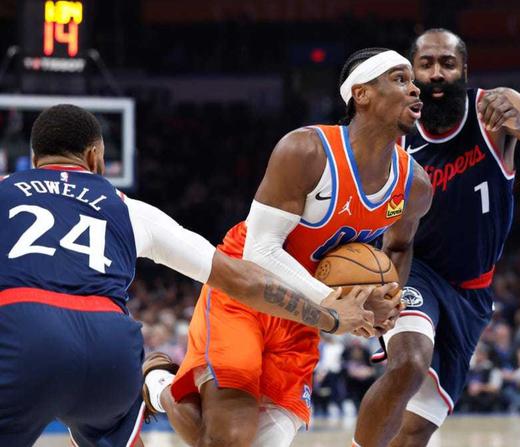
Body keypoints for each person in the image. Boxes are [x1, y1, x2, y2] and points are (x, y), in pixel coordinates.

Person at [0, 104, 375, 447]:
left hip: (24, 329)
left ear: (33, 160)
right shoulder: (129, 208)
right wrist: (329, 316)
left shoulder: (5, 190)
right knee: (110, 428)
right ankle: (152, 386)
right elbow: (242, 280)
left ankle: (156, 386)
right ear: (95, 156)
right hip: (108, 346)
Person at [142, 48, 433, 447]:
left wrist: (388, 300)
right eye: (400, 79)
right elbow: (260, 251)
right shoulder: (307, 151)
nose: (415, 89)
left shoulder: (414, 185)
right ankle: (160, 383)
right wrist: (331, 303)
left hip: (304, 315)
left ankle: (160, 385)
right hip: (244, 290)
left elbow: (400, 247)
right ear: (362, 94)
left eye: (413, 81)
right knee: (230, 438)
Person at [354, 28, 520, 447]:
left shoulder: (495, 109)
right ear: (411, 74)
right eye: (426, 64)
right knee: (409, 363)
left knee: (417, 428)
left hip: (472, 292)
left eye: (447, 63)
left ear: (465, 71)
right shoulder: (395, 133)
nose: (437, 73)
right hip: (416, 268)